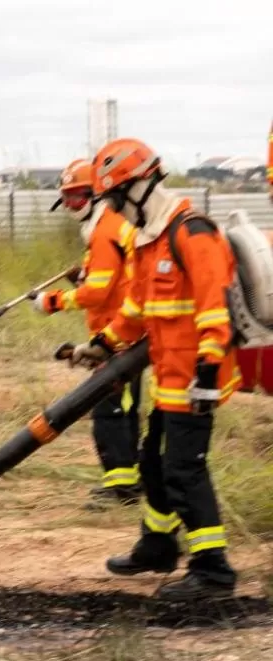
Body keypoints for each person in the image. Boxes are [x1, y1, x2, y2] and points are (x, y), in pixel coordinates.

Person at [68, 137, 242, 600]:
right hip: (170, 379)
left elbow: (214, 311)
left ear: (139, 186)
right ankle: (158, 546)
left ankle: (213, 571)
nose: (114, 210)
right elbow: (137, 311)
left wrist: (206, 377)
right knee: (153, 462)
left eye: (115, 199)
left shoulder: (192, 233)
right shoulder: (150, 241)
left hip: (196, 380)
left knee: (184, 470)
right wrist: (102, 344)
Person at [31, 158, 143, 509]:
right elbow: (108, 279)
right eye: (66, 198)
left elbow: (97, 293)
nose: (70, 206)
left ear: (96, 195)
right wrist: (84, 275)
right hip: (118, 333)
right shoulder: (106, 227)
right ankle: (127, 483)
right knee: (119, 410)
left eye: (78, 198)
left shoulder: (105, 230)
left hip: (120, 335)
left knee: (111, 412)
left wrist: (50, 301)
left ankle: (122, 489)